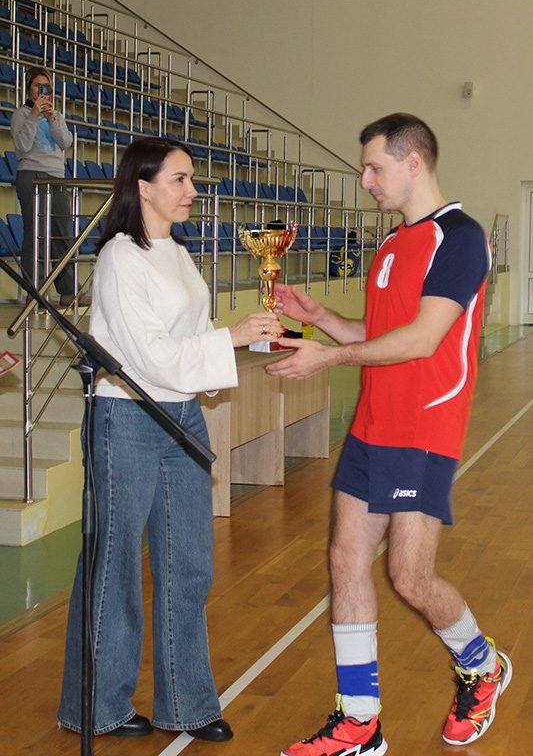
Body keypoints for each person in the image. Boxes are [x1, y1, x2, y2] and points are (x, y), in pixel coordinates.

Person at [268, 113, 512, 756]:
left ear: (413, 163)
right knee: (345, 560)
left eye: (374, 167)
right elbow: (378, 335)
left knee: (409, 577)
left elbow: (423, 339)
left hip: (424, 428)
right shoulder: (392, 244)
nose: (365, 179)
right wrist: (321, 318)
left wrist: (327, 358)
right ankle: (360, 722)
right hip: (371, 427)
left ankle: (482, 664)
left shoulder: (459, 238)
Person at [57, 137, 283, 739]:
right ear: (144, 187)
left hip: (181, 417)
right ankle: (96, 707)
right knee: (114, 568)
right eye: (180, 180)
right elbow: (147, 356)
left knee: (188, 564)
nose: (192, 191)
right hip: (127, 419)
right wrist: (229, 340)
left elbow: (189, 335)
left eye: (191, 179)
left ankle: (187, 704)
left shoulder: (177, 252)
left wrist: (239, 340)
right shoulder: (118, 258)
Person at [10, 66, 87, 306]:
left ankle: (68, 290)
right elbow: (22, 146)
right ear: (29, 88)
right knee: (36, 234)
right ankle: (36, 291)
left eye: (46, 87)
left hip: (56, 176)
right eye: (38, 85)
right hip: (31, 175)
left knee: (61, 234)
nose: (42, 90)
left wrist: (52, 119)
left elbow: (66, 142)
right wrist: (34, 115)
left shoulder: (56, 114)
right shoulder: (21, 114)